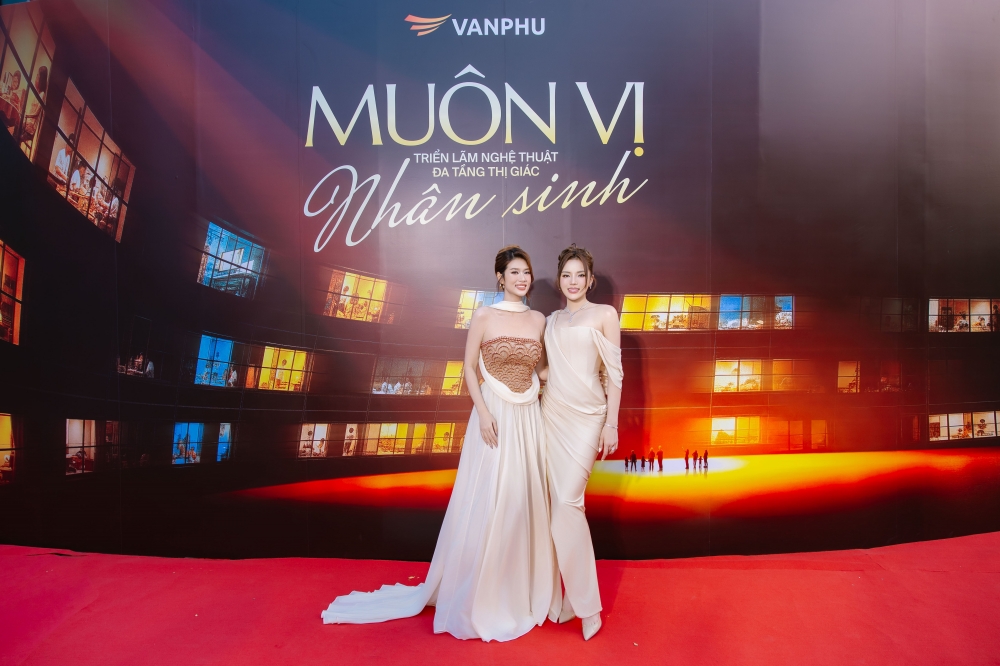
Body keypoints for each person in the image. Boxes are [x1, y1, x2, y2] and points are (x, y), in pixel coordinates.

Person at [322, 246, 558, 641]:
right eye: (515, 272)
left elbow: (544, 370)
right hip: (493, 415)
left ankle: (517, 589)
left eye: (526, 272)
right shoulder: (483, 315)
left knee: (521, 499)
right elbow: (469, 366)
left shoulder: (539, 320)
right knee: (489, 497)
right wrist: (483, 412)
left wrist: (579, 377)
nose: (522, 279)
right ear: (500, 277)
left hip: (527, 417)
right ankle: (480, 591)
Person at [538, 244, 623, 641]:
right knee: (561, 508)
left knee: (567, 505)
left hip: (589, 419)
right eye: (566, 275)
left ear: (590, 280)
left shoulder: (605, 314)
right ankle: (571, 599)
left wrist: (611, 423)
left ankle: (589, 607)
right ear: (560, 280)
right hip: (552, 416)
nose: (572, 282)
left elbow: (615, 375)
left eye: (579, 275)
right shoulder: (550, 321)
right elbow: (545, 370)